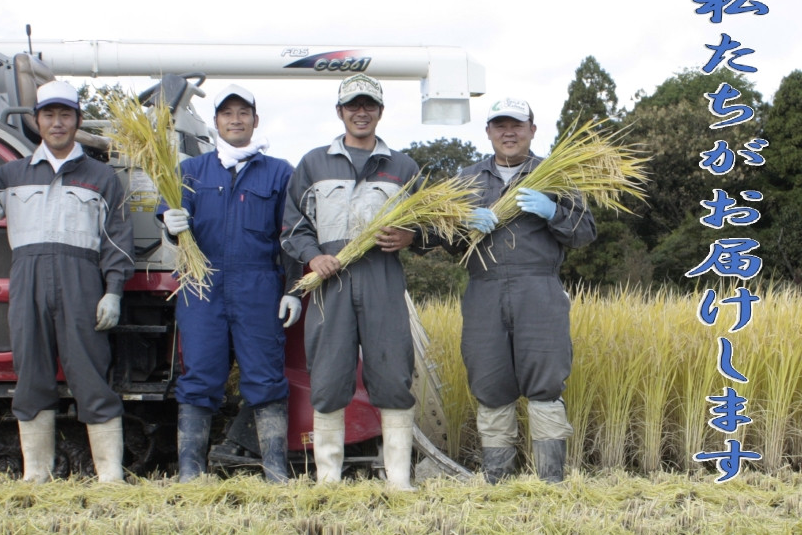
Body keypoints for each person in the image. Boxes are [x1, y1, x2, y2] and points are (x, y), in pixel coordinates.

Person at [0, 80, 135, 483]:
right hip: (27, 277)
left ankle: (110, 477)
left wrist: (113, 291)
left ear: (77, 120)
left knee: (90, 373)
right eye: (49, 115)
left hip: (82, 281)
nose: (57, 123)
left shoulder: (101, 178)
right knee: (31, 373)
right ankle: (36, 475)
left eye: (65, 115)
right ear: (37, 121)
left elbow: (117, 241)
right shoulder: (10, 175)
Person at [280, 73, 427, 490]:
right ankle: (329, 482)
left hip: (382, 279)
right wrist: (314, 256)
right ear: (340, 112)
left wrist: (410, 237)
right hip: (330, 283)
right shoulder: (313, 163)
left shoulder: (403, 167)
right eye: (352, 106)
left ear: (380, 111)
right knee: (327, 378)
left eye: (369, 105)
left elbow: (432, 225)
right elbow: (292, 225)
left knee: (393, 374)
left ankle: (398, 482)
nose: (360, 112)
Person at [159, 84, 302, 483]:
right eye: (227, 113)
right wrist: (170, 227)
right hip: (201, 287)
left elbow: (290, 237)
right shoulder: (190, 171)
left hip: (258, 286)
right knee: (200, 375)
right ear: (216, 121)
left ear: (255, 121)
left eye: (244, 113)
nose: (235, 120)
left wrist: (293, 289)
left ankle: (275, 471)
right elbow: (171, 222)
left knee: (266, 376)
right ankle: (191, 471)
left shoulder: (279, 171)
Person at [453, 97, 596, 484]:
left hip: (540, 288)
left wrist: (553, 211)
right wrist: (460, 224)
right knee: (489, 379)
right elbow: (439, 238)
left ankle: (551, 481)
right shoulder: (465, 181)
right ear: (488, 133)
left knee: (545, 381)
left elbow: (585, 233)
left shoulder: (556, 175)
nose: (508, 132)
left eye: (517, 125)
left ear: (533, 129)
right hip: (484, 289)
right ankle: (497, 481)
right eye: (500, 125)